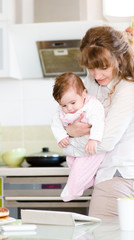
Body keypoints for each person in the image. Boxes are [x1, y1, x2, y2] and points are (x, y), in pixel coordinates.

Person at [61, 26, 134, 219]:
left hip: (121, 174)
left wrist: (70, 139)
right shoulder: (93, 81)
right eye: (91, 67)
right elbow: (75, 115)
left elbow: (105, 141)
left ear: (120, 57)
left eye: (103, 67)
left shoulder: (128, 88)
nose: (97, 74)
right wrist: (70, 129)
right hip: (108, 174)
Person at [51, 72, 106, 202]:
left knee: (79, 169)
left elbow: (99, 121)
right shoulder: (61, 112)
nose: (69, 108)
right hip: (74, 147)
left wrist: (94, 139)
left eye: (72, 103)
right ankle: (86, 181)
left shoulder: (92, 106)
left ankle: (73, 190)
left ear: (83, 94)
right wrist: (61, 137)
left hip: (90, 149)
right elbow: (55, 123)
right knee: (72, 163)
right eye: (64, 105)